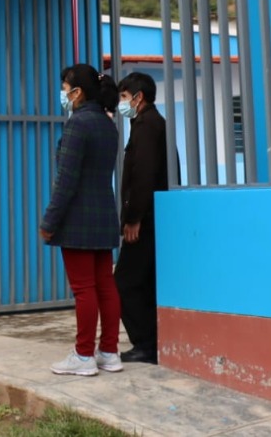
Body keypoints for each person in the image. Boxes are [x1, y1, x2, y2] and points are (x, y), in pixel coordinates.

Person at [41, 64, 123, 377]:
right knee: (105, 286)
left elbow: (66, 180)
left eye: (65, 87)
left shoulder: (78, 124)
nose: (63, 93)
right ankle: (109, 351)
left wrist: (50, 219)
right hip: (104, 214)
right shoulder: (107, 124)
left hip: (78, 219)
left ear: (77, 92)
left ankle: (84, 355)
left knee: (84, 290)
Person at [114, 72, 169, 365]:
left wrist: (133, 218)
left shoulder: (147, 126)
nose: (123, 103)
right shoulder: (148, 123)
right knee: (144, 282)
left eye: (124, 97)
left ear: (138, 97)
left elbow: (143, 175)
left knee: (125, 281)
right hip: (151, 218)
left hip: (145, 221)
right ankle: (152, 342)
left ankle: (146, 343)